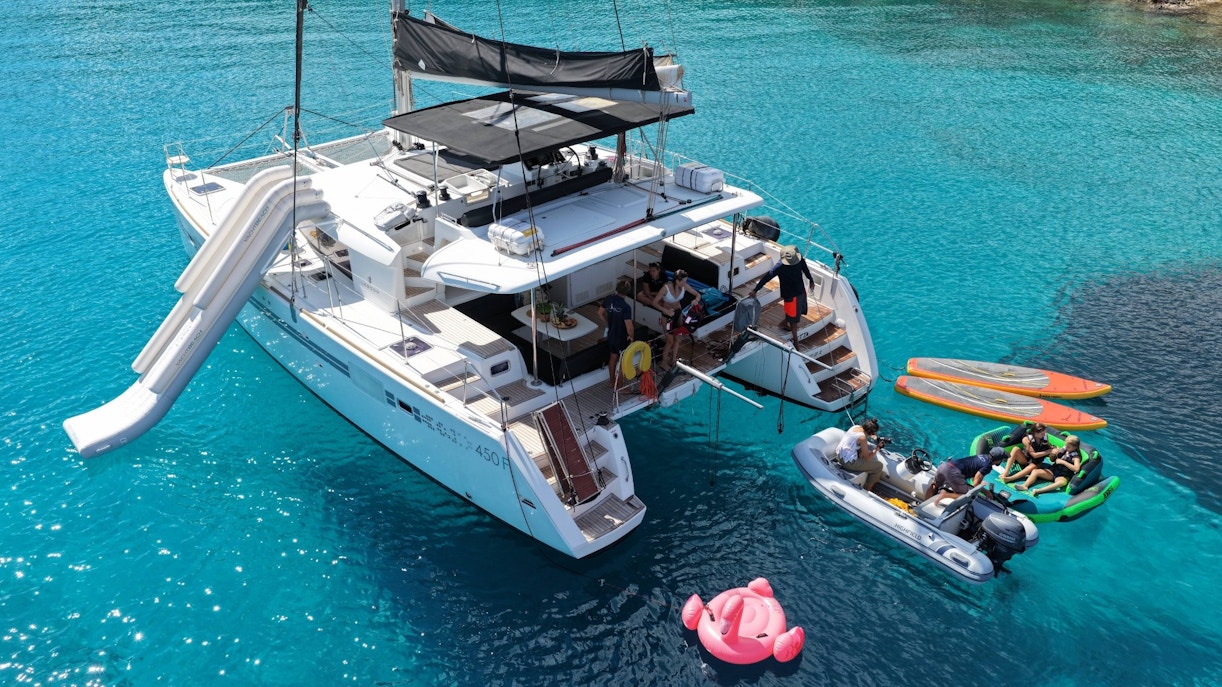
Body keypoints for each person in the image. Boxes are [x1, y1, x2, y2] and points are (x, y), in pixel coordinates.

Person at [750, 245, 814, 347]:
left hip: (801, 291)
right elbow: (767, 277)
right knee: (794, 319)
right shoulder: (780, 266)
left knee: (799, 311)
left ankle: (784, 323)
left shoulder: (799, 259)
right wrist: (755, 290)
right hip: (790, 295)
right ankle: (796, 341)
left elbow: (805, 269)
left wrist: (811, 280)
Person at [651, 269, 701, 370]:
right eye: (683, 281)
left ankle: (673, 360)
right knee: (669, 340)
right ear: (677, 281)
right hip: (667, 316)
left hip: (678, 315)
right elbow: (654, 302)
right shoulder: (666, 288)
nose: (685, 283)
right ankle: (663, 362)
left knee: (678, 338)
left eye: (686, 281)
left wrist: (696, 301)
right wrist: (665, 310)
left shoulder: (684, 286)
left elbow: (698, 294)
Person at [925, 446, 1007, 502]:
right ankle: (945, 494)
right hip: (953, 472)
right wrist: (986, 492)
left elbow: (973, 470)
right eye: (1002, 459)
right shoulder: (988, 466)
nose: (1002, 460)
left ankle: (924, 503)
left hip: (944, 466)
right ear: (998, 459)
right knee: (964, 495)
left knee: (934, 485)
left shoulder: (983, 456)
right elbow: (976, 483)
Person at [1012, 435, 1084, 496]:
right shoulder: (1065, 450)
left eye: (1068, 447)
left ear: (1075, 447)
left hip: (1063, 475)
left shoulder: (1076, 457)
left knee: (1061, 482)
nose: (1066, 447)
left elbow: (1076, 469)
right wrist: (1053, 454)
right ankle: (1025, 486)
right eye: (1066, 445)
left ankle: (1039, 491)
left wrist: (1063, 462)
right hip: (1053, 471)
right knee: (1035, 471)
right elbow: (1053, 460)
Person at [598, 278, 635, 389]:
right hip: (621, 337)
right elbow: (629, 326)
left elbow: (600, 313)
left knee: (613, 358)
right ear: (627, 292)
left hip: (611, 334)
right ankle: (620, 386)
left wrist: (608, 322)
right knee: (622, 361)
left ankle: (611, 381)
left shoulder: (608, 299)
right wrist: (631, 337)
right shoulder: (625, 307)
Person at [836, 418, 884, 492]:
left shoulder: (855, 427)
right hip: (848, 463)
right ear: (871, 433)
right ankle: (868, 489)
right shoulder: (862, 438)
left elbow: (859, 440)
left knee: (862, 451)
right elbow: (867, 458)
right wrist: (877, 448)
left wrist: (870, 435)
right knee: (879, 466)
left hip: (839, 456)